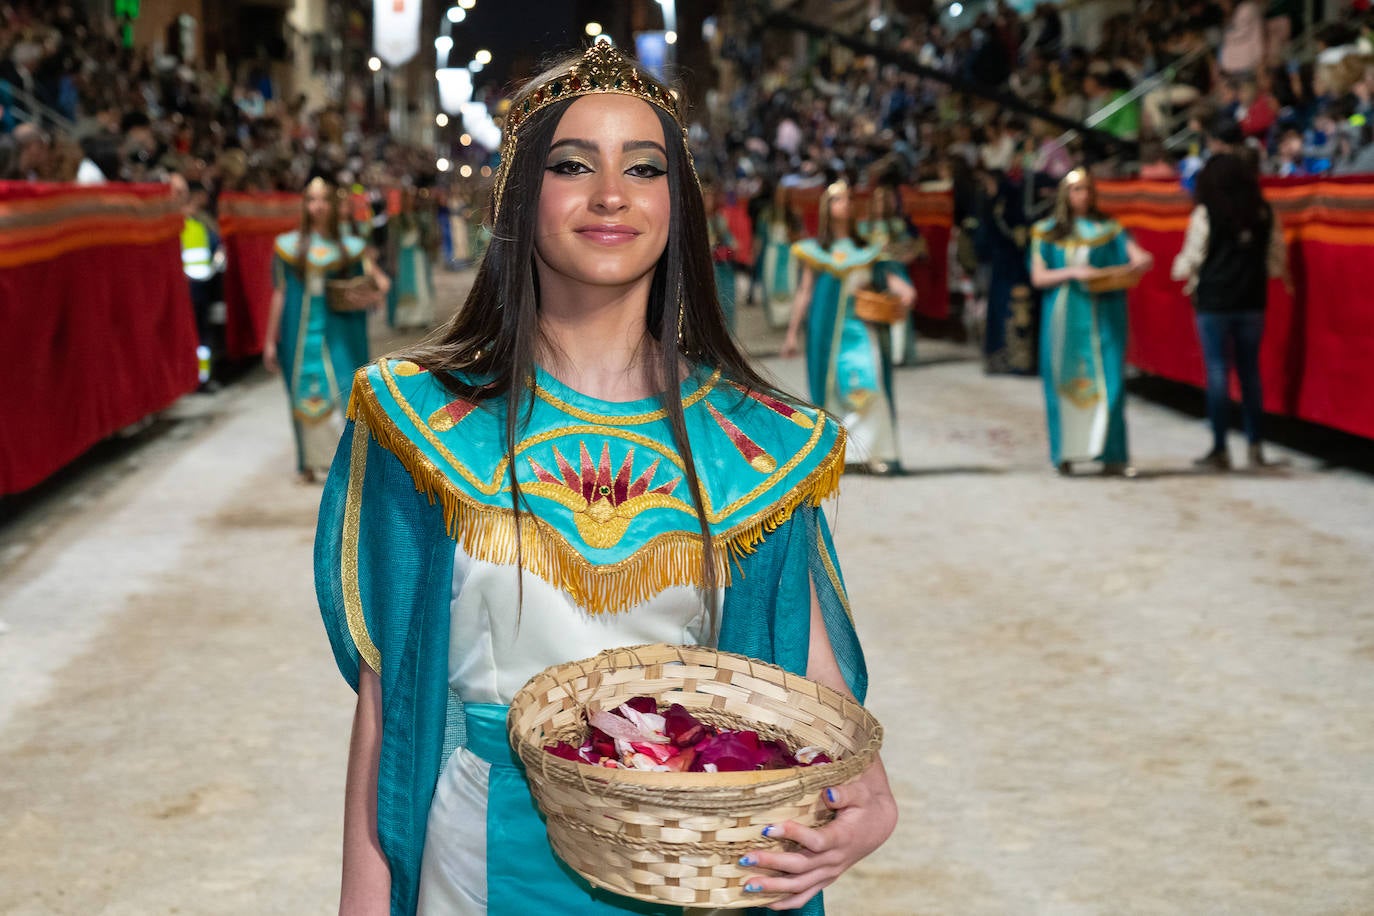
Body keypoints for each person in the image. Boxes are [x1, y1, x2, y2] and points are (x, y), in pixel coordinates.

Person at [315, 43, 896, 916]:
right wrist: (366, 897)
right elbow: (389, 700)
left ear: (678, 204)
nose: (611, 195)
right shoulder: (421, 422)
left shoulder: (755, 442)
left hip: (693, 864)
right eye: (573, 165)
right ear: (522, 195)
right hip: (478, 861)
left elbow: (796, 661)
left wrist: (873, 794)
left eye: (646, 168)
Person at [782, 180, 916, 475]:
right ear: (827, 208)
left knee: (870, 382)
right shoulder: (816, 250)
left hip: (863, 329)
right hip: (826, 331)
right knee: (830, 390)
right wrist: (792, 333)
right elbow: (805, 291)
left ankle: (877, 451)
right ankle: (839, 454)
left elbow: (886, 275)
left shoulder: (867, 248)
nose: (846, 203)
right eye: (838, 199)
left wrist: (904, 290)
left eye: (849, 198)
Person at [1029, 168, 1154, 476]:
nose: (1082, 195)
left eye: (1086, 189)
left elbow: (1136, 254)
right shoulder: (1045, 231)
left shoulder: (1109, 228)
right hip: (1064, 318)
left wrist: (1141, 259)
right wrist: (1072, 273)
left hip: (1105, 314)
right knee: (1063, 385)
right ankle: (1066, 454)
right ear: (1064, 195)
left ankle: (1112, 455)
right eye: (1076, 190)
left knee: (1110, 385)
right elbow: (1039, 276)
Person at [1170, 152, 1290, 469]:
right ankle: (1255, 445)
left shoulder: (1206, 213)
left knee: (1218, 372)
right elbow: (1276, 259)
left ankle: (1220, 447)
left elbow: (1192, 258)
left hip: (1214, 301)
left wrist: (1179, 271)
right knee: (1250, 373)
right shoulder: (1264, 212)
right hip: (1252, 300)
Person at [264, 175, 387, 481]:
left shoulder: (351, 248)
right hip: (299, 332)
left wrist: (367, 295)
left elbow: (369, 290)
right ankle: (309, 461)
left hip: (340, 332)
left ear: (333, 206)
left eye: (322, 200)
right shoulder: (287, 247)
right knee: (300, 391)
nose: (316, 206)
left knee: (343, 388)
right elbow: (279, 293)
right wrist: (269, 340)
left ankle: (346, 462)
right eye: (310, 199)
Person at [861, 184, 924, 368]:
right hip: (873, 269)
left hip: (894, 268)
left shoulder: (897, 224)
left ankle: (900, 354)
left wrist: (898, 255)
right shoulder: (865, 225)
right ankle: (880, 353)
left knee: (901, 306)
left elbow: (912, 247)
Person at [386, 186, 439, 330]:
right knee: (405, 288)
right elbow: (392, 243)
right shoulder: (396, 220)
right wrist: (393, 262)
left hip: (418, 256)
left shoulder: (419, 217)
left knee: (421, 285)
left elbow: (428, 237)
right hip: (404, 258)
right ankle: (405, 319)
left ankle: (423, 317)